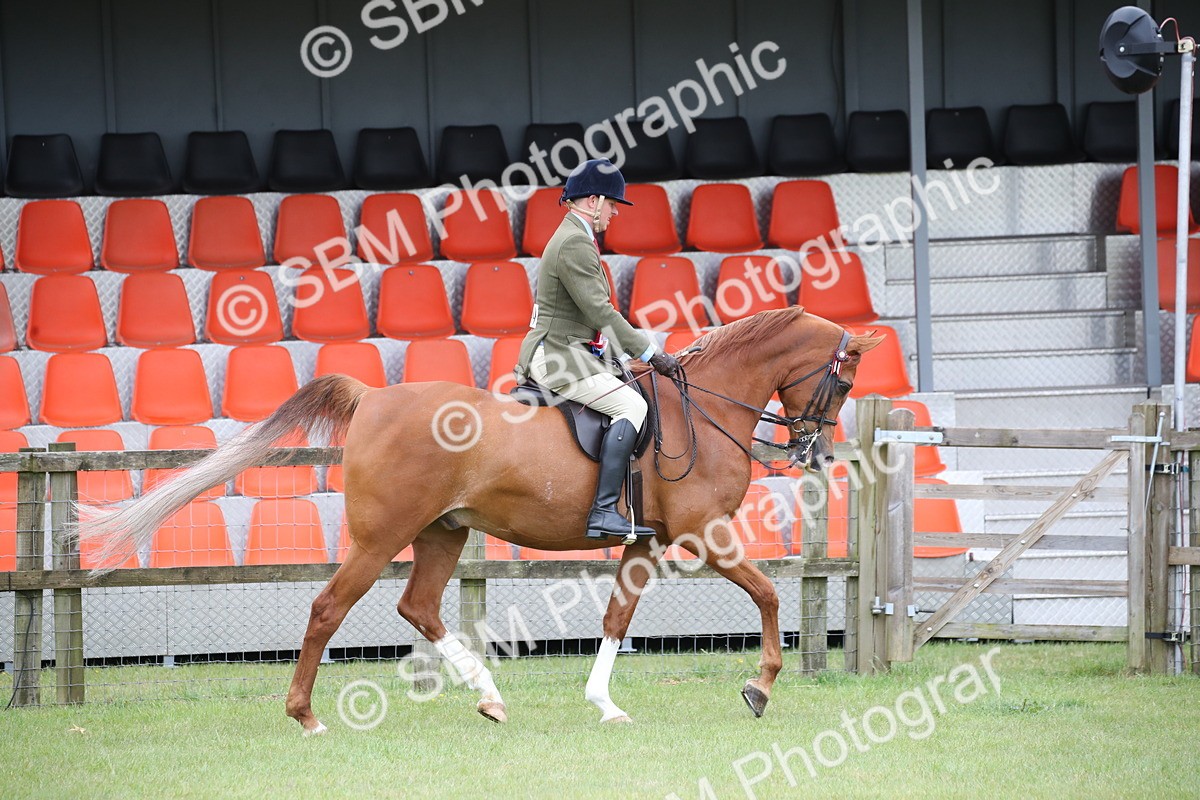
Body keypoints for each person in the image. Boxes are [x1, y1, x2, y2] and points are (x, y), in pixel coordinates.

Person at [515, 158, 680, 541]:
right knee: (632, 405)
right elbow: (600, 311)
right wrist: (649, 352)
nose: (615, 211)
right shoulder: (574, 242)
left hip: (573, 347)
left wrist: (620, 356)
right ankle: (604, 511)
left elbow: (592, 317)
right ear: (592, 201)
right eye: (612, 203)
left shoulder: (575, 236)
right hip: (557, 354)